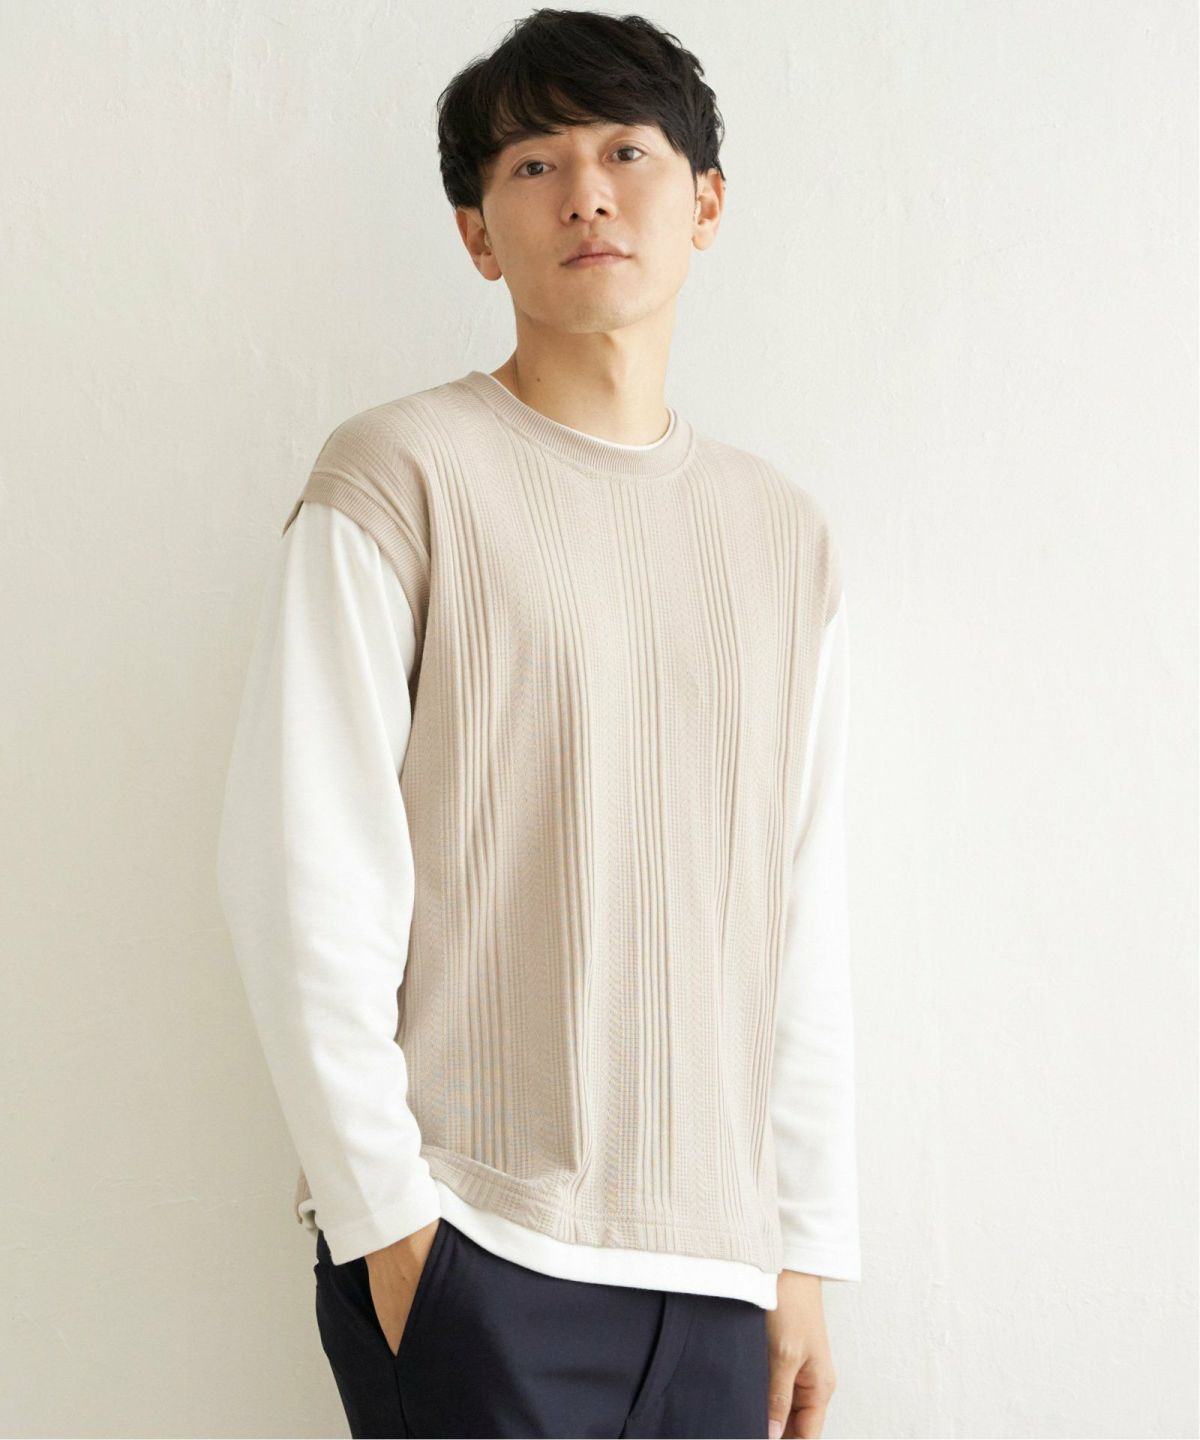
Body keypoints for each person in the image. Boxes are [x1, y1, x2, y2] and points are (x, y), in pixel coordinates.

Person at [216, 9, 861, 1438]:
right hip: (474, 1241)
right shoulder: (397, 477)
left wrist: (802, 1248)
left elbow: (797, 912)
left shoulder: (784, 536)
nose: (585, 193)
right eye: (532, 163)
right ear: (476, 232)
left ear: (705, 201)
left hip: (721, 1276)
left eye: (628, 151)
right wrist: (392, 1231)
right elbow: (298, 872)